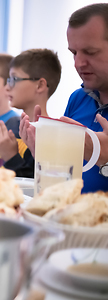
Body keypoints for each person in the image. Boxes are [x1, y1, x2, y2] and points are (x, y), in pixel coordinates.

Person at [20, 3, 108, 192]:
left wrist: (106, 161)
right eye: (73, 53)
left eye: (90, 52)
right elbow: (63, 182)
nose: (78, 63)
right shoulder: (78, 99)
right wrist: (45, 157)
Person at [0, 49, 62, 177]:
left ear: (40, 86)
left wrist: (11, 157)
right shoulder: (11, 124)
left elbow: (37, 184)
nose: (7, 87)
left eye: (14, 79)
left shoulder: (52, 137)